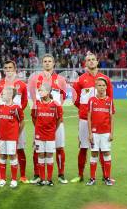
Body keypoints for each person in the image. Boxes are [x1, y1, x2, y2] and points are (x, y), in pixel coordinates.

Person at [71, 53, 114, 183]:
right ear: (85, 63)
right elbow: (75, 99)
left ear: (97, 61)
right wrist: (85, 111)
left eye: (93, 59)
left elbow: (110, 99)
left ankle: (106, 175)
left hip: (102, 122)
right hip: (85, 120)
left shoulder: (105, 79)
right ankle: (80, 175)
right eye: (88, 60)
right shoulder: (80, 79)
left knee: (102, 148)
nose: (91, 61)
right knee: (83, 147)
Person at [28, 54, 68, 184]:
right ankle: (37, 175)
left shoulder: (61, 79)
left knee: (59, 147)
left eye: (49, 61)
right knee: (38, 148)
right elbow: (33, 98)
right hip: (41, 121)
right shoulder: (35, 79)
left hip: (56, 120)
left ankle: (61, 174)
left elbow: (63, 97)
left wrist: (57, 112)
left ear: (54, 63)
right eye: (45, 61)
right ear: (42, 63)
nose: (47, 63)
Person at [0, 60, 29, 184]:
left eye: (10, 68)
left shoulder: (21, 85)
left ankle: (22, 176)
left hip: (16, 121)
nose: (8, 70)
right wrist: (4, 112)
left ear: (15, 69)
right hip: (3, 122)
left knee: (20, 148)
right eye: (6, 68)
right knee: (0, 150)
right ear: (3, 70)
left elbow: (24, 102)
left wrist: (15, 113)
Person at [31, 84, 63, 186]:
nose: (40, 92)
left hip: (50, 135)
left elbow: (59, 119)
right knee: (40, 155)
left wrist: (53, 130)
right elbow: (33, 118)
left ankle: (49, 180)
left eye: (42, 90)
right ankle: (41, 179)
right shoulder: (36, 104)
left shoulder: (56, 105)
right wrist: (38, 128)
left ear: (48, 92)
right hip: (39, 135)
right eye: (39, 90)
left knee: (49, 155)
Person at [86, 78, 115, 186]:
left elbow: (112, 118)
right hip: (94, 133)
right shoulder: (92, 100)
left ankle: (107, 177)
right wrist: (90, 133)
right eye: (99, 85)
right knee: (94, 153)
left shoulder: (109, 101)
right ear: (96, 87)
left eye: (103, 85)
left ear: (106, 87)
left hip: (106, 133)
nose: (101, 87)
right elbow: (89, 118)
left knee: (106, 153)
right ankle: (92, 178)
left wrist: (112, 133)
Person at [0, 87, 25, 188]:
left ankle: (13, 180)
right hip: (1, 137)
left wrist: (17, 134)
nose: (1, 95)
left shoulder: (16, 107)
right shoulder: (0, 107)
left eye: (3, 94)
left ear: (9, 95)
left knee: (12, 156)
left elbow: (22, 122)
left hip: (12, 137)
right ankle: (2, 179)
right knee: (2, 156)